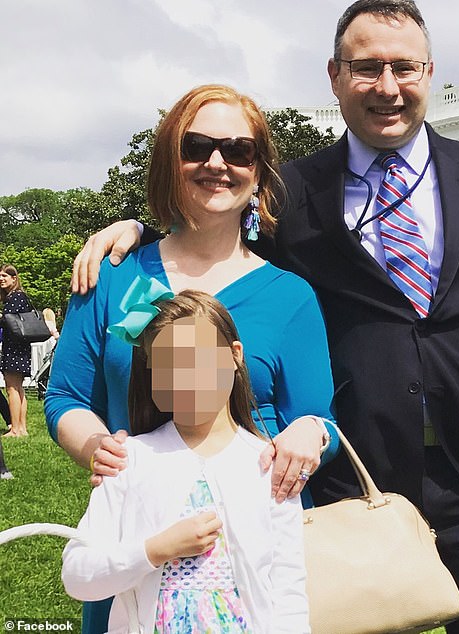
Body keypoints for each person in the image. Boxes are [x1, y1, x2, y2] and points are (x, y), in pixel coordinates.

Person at [71, 1, 459, 631]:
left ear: (429, 73)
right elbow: (217, 236)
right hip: (348, 479)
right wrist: (141, 234)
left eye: (404, 67)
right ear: (334, 76)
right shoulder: (293, 191)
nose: (387, 87)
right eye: (366, 69)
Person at [46, 84, 337, 634]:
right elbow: (65, 395)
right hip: (137, 541)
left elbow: (319, 417)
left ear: (259, 170)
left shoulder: (290, 295)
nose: (217, 163)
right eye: (197, 146)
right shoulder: (113, 273)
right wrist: (99, 451)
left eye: (239, 150)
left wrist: (310, 433)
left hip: (252, 554)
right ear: (168, 162)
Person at [62, 289, 309, 633]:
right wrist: (154, 550)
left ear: (235, 355)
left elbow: (288, 588)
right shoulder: (129, 460)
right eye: (166, 366)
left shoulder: (268, 467)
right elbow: (78, 576)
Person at [0, 264, 32, 437]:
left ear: (14, 278)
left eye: (6, 275)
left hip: (14, 348)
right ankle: (21, 428)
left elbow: (8, 321)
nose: (1, 279)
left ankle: (15, 429)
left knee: (12, 388)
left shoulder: (15, 297)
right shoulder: (20, 296)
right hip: (20, 347)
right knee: (19, 388)